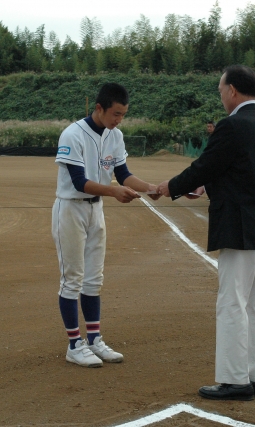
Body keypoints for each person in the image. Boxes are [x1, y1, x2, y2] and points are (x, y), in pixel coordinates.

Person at [157, 65, 255, 401]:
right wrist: (205, 185)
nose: (220, 96)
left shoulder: (232, 125)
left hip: (240, 227)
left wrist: (171, 186)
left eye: (220, 91)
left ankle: (235, 380)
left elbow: (206, 165)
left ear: (232, 90)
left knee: (233, 302)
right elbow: (243, 172)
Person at [52, 83, 160, 368]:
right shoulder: (73, 133)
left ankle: (94, 340)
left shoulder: (115, 135)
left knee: (93, 279)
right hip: (70, 209)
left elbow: (123, 173)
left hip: (95, 210)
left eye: (123, 114)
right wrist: (113, 191)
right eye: (116, 114)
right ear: (99, 108)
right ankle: (74, 345)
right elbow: (79, 182)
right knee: (72, 278)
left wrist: (151, 188)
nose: (119, 120)